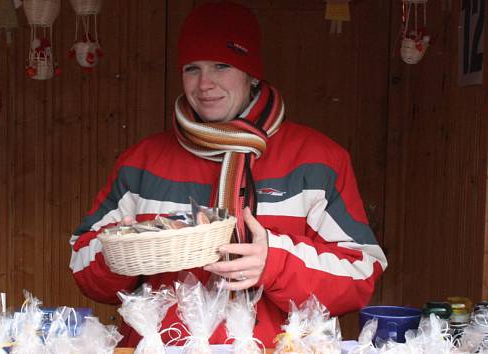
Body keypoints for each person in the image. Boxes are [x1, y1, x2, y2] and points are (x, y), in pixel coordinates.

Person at [69, 0, 388, 348]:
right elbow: (82, 261)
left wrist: (274, 263)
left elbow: (361, 275)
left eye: (222, 65)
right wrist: (121, 253)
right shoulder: (142, 162)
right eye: (192, 68)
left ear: (252, 75)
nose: (205, 83)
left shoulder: (317, 161)